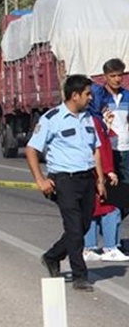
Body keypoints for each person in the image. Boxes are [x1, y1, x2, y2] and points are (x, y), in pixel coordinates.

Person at [26, 74, 106, 292]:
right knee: (73, 227)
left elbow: (95, 150)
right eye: (88, 94)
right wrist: (41, 180)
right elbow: (31, 149)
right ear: (75, 95)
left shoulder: (88, 117)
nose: (91, 98)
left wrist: (100, 180)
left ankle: (52, 256)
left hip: (86, 179)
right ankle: (80, 275)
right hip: (64, 180)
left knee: (83, 226)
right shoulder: (52, 119)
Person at [83, 108, 129, 262]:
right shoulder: (93, 122)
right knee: (111, 209)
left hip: (93, 172)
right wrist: (108, 171)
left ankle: (89, 247)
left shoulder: (91, 121)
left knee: (94, 210)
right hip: (100, 172)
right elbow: (101, 149)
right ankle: (110, 247)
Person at [91, 58, 129, 182]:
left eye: (120, 75)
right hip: (107, 150)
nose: (117, 79)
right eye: (112, 76)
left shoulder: (127, 96)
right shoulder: (98, 96)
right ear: (105, 76)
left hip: (126, 148)